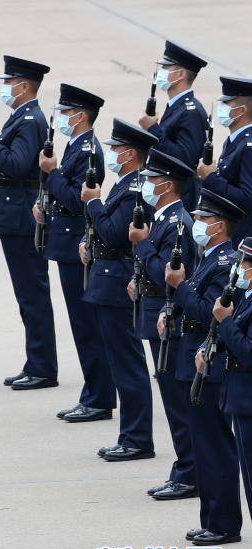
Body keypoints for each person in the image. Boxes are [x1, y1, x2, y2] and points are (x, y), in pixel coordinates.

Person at [0, 55, 57, 390]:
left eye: (10, 84)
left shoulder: (30, 120)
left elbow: (20, 166)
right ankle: (35, 362)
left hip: (22, 217)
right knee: (27, 294)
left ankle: (42, 366)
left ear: (24, 86)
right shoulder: (22, 118)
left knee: (32, 294)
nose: (6, 89)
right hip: (14, 215)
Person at [166, 191, 243, 540]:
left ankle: (224, 523)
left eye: (204, 219)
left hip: (210, 361)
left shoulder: (226, 263)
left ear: (219, 225)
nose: (197, 224)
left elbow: (210, 312)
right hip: (192, 355)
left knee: (215, 443)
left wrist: (180, 289)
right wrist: (173, 309)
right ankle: (212, 520)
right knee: (203, 442)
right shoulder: (208, 257)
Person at [78, 120, 157, 455]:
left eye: (115, 149)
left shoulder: (135, 188)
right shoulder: (125, 183)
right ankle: (129, 436)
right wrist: (87, 240)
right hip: (106, 278)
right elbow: (103, 230)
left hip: (117, 280)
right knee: (121, 361)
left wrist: (93, 203)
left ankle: (137, 438)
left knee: (128, 364)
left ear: (129, 154)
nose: (110, 154)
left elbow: (114, 233)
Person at [36, 84, 113, 419]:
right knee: (82, 325)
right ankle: (93, 393)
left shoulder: (89, 151)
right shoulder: (75, 146)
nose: (63, 118)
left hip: (76, 246)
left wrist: (52, 176)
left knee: (87, 325)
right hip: (65, 243)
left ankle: (98, 398)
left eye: (67, 113)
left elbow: (79, 201)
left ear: (81, 116)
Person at [123, 151, 197, 496]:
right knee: (171, 397)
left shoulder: (176, 223)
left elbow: (171, 278)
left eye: (152, 181)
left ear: (167, 186)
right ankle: (185, 468)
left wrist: (143, 245)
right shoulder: (164, 218)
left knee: (176, 400)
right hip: (155, 314)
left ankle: (189, 472)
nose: (147, 186)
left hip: (169, 321)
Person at [212, 238, 252, 549]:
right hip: (241, 400)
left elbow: (249, 353)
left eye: (246, 265)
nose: (240, 269)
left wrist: (225, 322)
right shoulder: (245, 298)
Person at [138, 41, 209, 212]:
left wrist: (152, 130)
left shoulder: (191, 112)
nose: (161, 73)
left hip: (181, 195)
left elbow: (183, 159)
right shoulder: (177, 107)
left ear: (181, 74)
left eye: (167, 68)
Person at [198, 76, 252, 244]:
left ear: (241, 110)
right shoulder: (234, 141)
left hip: (241, 237)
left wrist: (211, 178)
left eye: (226, 104)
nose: (222, 108)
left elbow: (248, 199)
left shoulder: (248, 146)